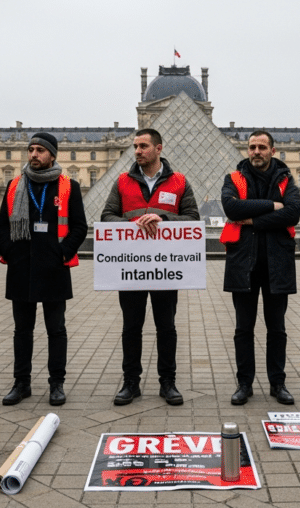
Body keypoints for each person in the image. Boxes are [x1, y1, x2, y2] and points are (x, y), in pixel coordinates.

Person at [101, 128, 199, 406]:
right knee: (131, 326)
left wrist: (164, 217)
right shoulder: (122, 181)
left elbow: (192, 218)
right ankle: (131, 382)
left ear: (158, 148)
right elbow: (107, 216)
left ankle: (167, 382)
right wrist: (132, 224)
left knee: (166, 326)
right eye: (135, 146)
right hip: (131, 266)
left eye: (143, 146)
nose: (137, 151)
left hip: (165, 267)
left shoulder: (179, 182)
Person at [0, 132, 87, 406]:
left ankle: (56, 384)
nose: (34, 154)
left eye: (40, 150)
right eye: (31, 149)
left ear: (52, 155)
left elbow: (79, 226)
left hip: (54, 268)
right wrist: (9, 251)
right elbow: (1, 225)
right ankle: (21, 383)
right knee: (21, 331)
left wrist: (62, 253)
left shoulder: (68, 186)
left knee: (56, 329)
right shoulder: (14, 185)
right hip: (21, 266)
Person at [222, 130, 300, 406]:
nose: (256, 151)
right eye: (252, 147)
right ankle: (244, 384)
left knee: (277, 328)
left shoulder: (286, 179)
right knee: (244, 328)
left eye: (262, 147)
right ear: (247, 150)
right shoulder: (233, 178)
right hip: (243, 263)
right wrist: (272, 206)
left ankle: (277, 384)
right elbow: (232, 208)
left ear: (273, 150)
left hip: (277, 265)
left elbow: (293, 212)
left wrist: (254, 220)